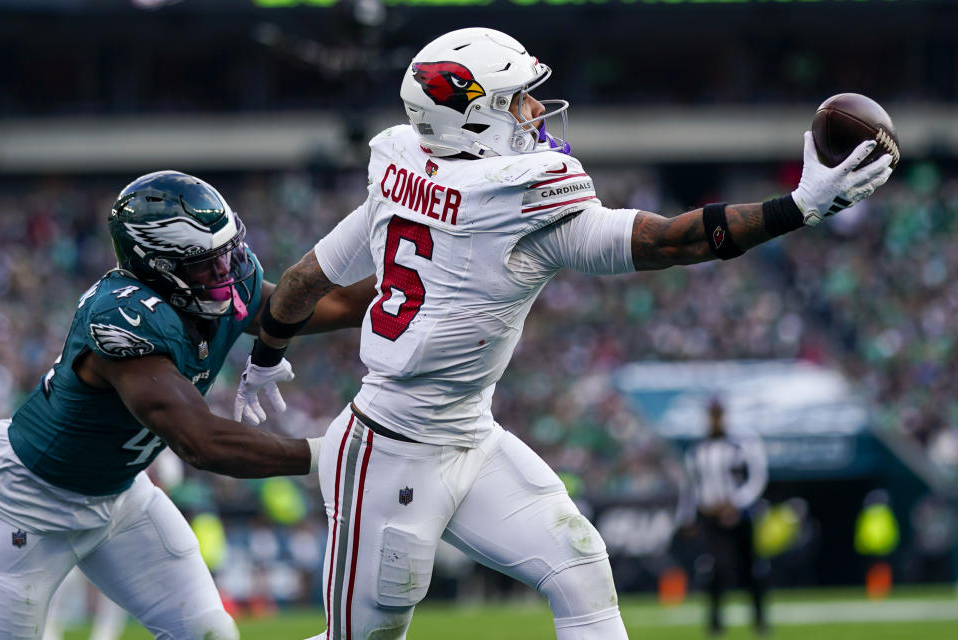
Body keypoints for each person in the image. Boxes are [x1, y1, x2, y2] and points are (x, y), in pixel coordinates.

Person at [233, 27, 894, 640]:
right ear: (472, 116)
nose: (534, 111)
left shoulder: (401, 168)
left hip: (469, 435)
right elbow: (672, 241)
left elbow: (299, 281)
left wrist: (266, 355)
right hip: (388, 451)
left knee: (579, 568)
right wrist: (798, 208)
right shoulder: (514, 197)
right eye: (517, 100)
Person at [0, 170, 375, 640]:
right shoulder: (125, 317)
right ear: (155, 265)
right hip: (24, 504)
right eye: (205, 264)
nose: (225, 273)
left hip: (118, 497)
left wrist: (420, 285)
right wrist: (334, 453)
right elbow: (202, 442)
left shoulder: (216, 288)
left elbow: (329, 305)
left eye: (227, 255)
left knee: (209, 632)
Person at [684, 398, 769, 635]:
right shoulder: (697, 449)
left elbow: (757, 478)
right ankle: (715, 621)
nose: (715, 419)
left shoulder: (742, 444)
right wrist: (689, 515)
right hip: (711, 516)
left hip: (741, 516)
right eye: (712, 414)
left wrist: (736, 503)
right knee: (715, 568)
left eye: (718, 414)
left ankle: (760, 619)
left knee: (751, 566)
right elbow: (691, 486)